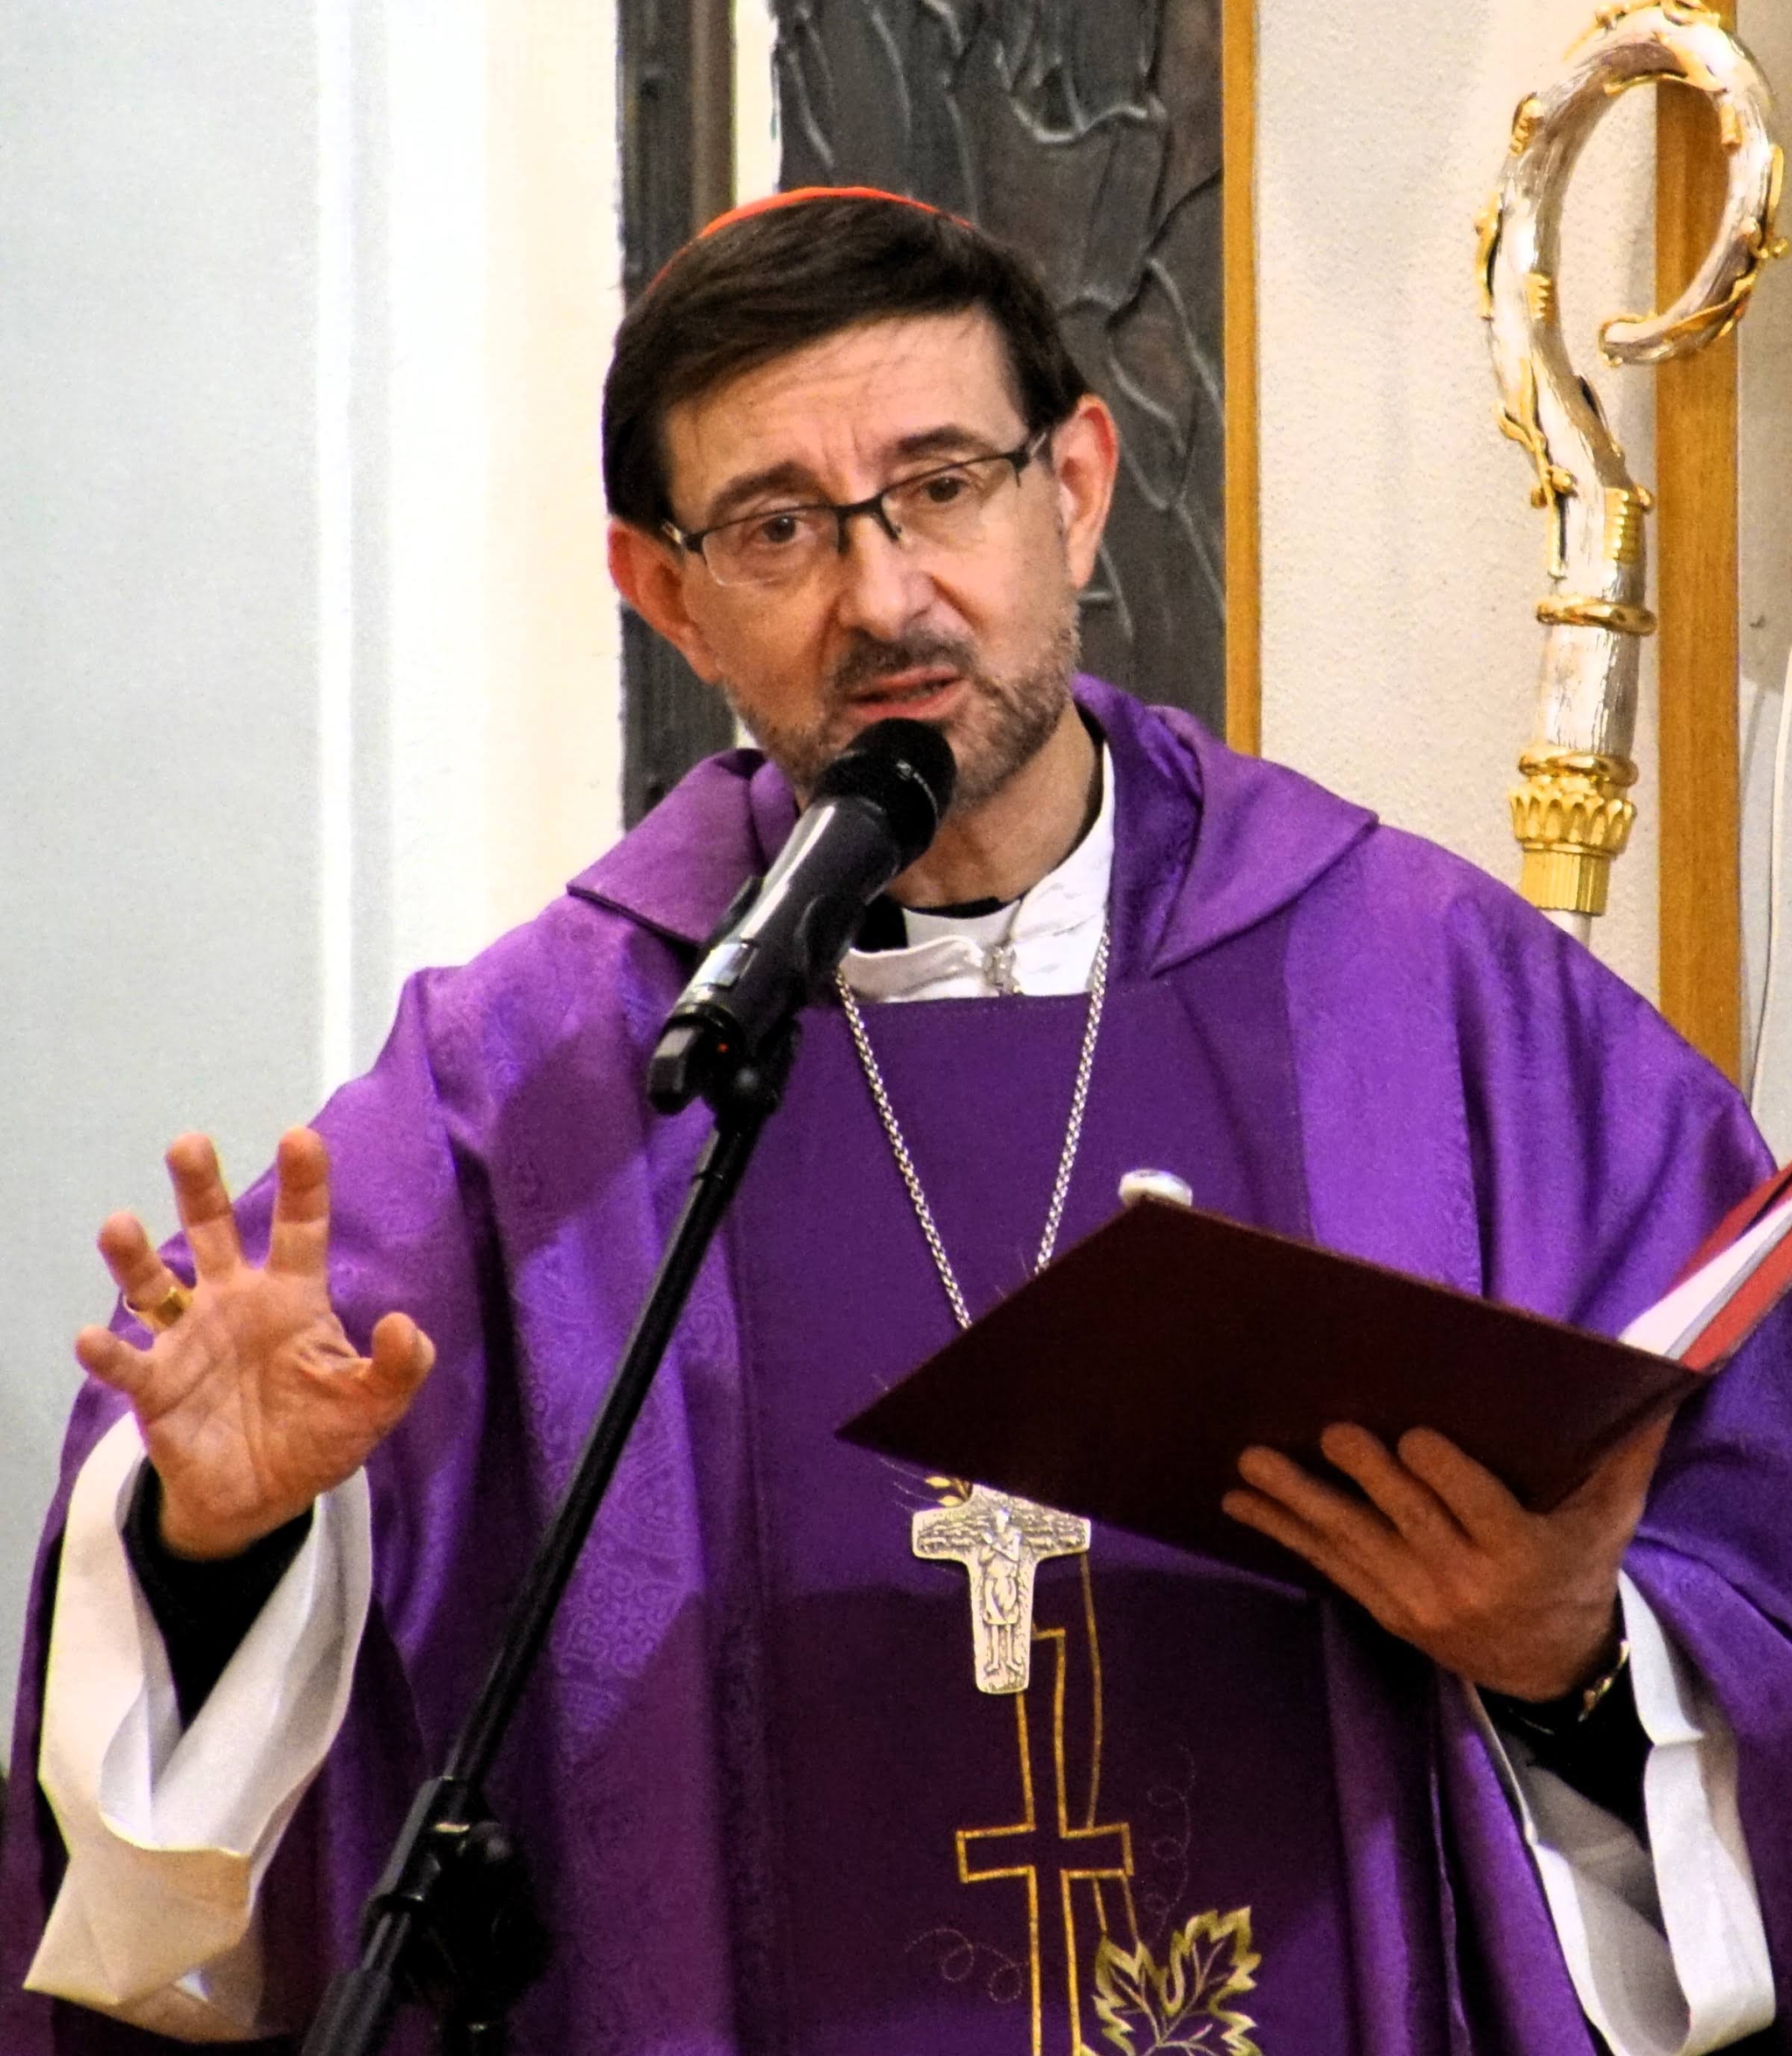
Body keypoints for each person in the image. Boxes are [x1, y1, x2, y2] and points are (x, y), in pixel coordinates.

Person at [3, 188, 1787, 2056]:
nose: (883, 595)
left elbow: (1752, 1530)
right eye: (777, 527)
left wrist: (1574, 1660)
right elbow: (224, 1790)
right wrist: (219, 1536)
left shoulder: (1427, 996)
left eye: (941, 484)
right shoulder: (535, 1085)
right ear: (666, 594)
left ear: (1072, 488)